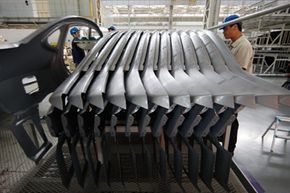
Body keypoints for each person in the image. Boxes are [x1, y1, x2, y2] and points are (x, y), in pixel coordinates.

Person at [221, 14, 253, 154]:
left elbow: (239, 73)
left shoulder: (243, 46)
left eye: (225, 29)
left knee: (231, 120)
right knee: (228, 119)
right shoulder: (234, 45)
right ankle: (226, 147)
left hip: (237, 92)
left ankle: (229, 152)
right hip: (231, 91)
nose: (224, 32)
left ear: (235, 27)